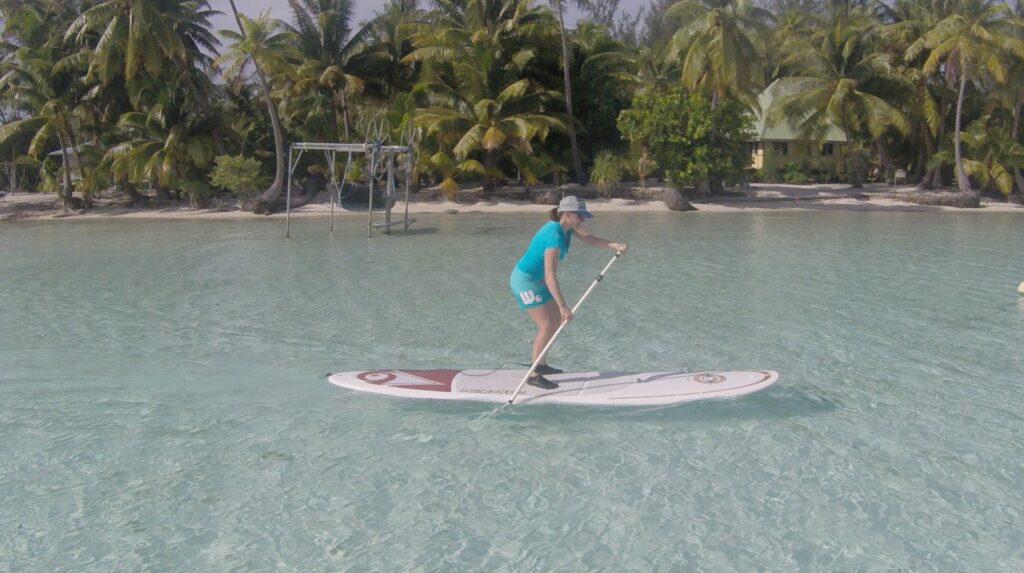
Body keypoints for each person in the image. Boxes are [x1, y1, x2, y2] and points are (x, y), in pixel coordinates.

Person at [509, 196, 627, 389]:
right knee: (547, 323)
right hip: (525, 281)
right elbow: (549, 275)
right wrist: (563, 306)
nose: (583, 219)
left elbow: (590, 239)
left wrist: (613, 245)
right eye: (580, 215)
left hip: (536, 280)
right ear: (567, 213)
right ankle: (534, 374)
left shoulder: (567, 228)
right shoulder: (553, 235)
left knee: (555, 321)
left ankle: (542, 364)